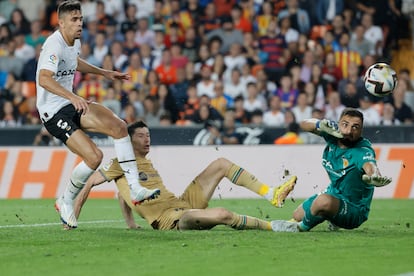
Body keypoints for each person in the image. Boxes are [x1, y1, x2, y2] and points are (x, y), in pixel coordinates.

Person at [35, 1, 160, 229]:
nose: (79, 23)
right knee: (94, 157)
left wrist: (103, 72)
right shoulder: (53, 45)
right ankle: (66, 200)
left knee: (119, 126)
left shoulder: (75, 42)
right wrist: (72, 97)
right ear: (61, 23)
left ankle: (135, 188)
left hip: (70, 102)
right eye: (74, 20)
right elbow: (44, 78)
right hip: (52, 112)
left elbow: (74, 62)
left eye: (80, 18)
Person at [74, 120, 298, 231]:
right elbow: (90, 182)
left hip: (182, 202)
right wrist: (72, 217)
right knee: (222, 214)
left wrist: (131, 224)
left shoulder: (143, 164)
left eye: (148, 135)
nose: (147, 139)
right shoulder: (121, 162)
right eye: (141, 136)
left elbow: (123, 194)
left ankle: (271, 194)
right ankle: (274, 226)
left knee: (221, 163)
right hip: (172, 220)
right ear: (130, 141)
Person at [271, 108, 392, 232]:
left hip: (353, 209)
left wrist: (374, 176)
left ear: (361, 131)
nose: (349, 130)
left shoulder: (362, 151)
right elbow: (303, 124)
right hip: (334, 193)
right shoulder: (332, 135)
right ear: (339, 124)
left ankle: (300, 228)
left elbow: (370, 165)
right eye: (345, 124)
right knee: (297, 215)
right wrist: (319, 124)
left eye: (355, 127)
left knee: (322, 201)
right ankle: (332, 218)